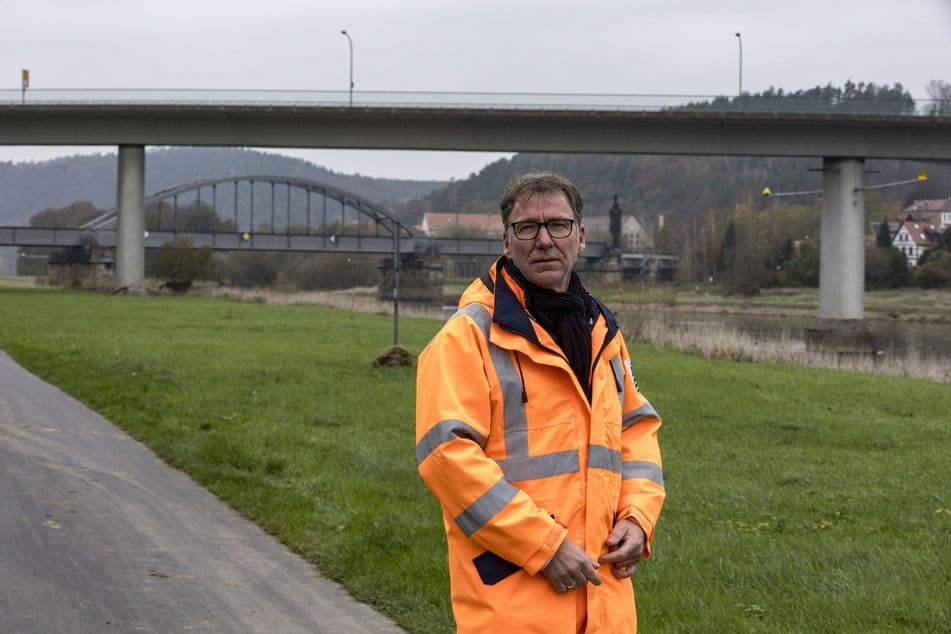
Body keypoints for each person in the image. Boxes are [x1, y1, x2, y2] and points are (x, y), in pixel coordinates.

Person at [415, 172, 665, 633]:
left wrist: (638, 517)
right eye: (527, 227)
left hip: (605, 601)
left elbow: (636, 429)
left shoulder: (602, 335)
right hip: (516, 603)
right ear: (507, 241)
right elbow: (445, 456)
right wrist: (544, 545)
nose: (544, 240)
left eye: (558, 225)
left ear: (582, 236)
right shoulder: (468, 336)